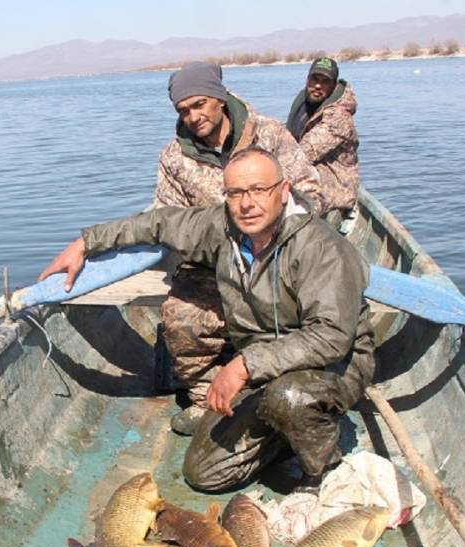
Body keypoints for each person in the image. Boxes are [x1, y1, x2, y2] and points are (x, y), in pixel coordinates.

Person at [40, 148, 374, 491]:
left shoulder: (322, 248)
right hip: (266, 369)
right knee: (204, 475)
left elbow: (331, 337)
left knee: (290, 398)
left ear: (284, 190)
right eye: (235, 193)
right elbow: (159, 223)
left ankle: (323, 470)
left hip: (336, 366)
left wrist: (242, 366)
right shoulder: (223, 228)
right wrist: (87, 242)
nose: (246, 203)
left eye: (259, 190)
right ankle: (289, 430)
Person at [155, 62, 322, 437]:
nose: (193, 116)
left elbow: (311, 192)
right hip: (212, 265)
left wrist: (273, 234)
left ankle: (282, 391)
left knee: (300, 318)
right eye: (183, 110)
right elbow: (168, 220)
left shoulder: (270, 134)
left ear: (219, 98)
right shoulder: (173, 157)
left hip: (278, 256)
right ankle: (204, 398)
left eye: (200, 104)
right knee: (180, 318)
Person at [286, 57, 360, 235]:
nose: (318, 86)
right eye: (314, 79)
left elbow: (304, 154)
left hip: (335, 187)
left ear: (334, 86)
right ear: (307, 80)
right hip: (310, 174)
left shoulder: (338, 118)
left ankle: (345, 213)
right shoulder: (304, 105)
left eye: (325, 81)